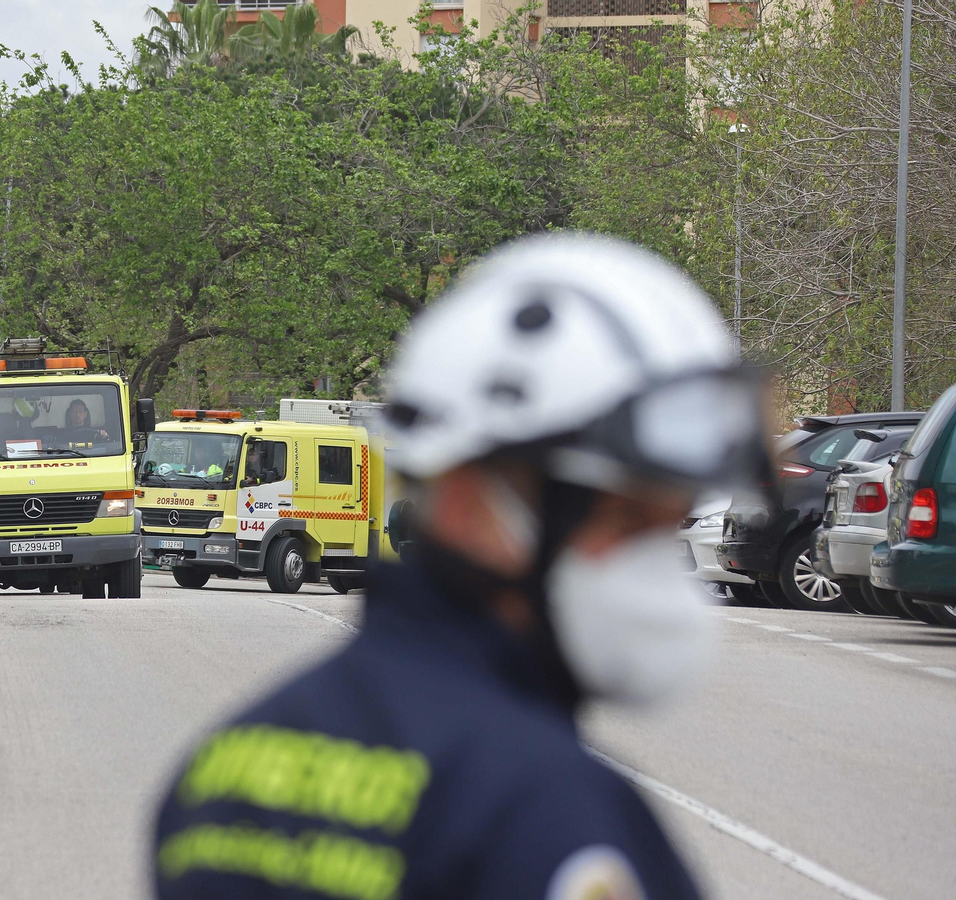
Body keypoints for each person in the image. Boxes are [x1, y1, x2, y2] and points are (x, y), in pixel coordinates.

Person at [152, 234, 772, 900]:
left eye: (669, 527)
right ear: (480, 497)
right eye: (627, 524)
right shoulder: (551, 819)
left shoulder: (224, 772)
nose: (658, 574)